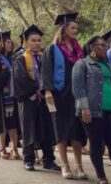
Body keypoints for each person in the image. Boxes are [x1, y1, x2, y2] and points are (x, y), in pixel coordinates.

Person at [41, 13, 87, 179]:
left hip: (77, 95)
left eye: (76, 28)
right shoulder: (52, 49)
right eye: (72, 28)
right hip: (59, 95)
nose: (75, 30)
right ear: (64, 28)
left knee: (77, 130)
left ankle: (80, 167)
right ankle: (65, 166)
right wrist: (47, 91)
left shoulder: (79, 49)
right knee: (60, 130)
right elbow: (46, 71)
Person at [72, 36, 111, 184]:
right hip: (92, 111)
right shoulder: (82, 64)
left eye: (105, 45)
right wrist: (84, 107)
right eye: (101, 45)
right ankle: (101, 176)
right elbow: (78, 88)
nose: (105, 47)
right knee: (96, 143)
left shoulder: (109, 65)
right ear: (92, 47)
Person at [12, 25, 60, 171]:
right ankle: (29, 159)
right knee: (29, 130)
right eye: (33, 40)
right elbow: (20, 79)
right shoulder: (20, 59)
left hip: (43, 99)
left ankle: (48, 160)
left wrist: (45, 89)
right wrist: (36, 89)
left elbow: (49, 75)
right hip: (28, 99)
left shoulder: (43, 58)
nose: (37, 43)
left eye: (39, 40)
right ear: (26, 42)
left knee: (46, 129)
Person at [0, 31, 20, 160]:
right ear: (1, 44)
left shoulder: (13, 58)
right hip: (0, 94)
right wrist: (8, 71)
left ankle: (15, 148)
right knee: (1, 121)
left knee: (12, 121)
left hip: (12, 94)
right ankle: (2, 147)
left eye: (10, 42)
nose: (10, 44)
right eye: (7, 42)